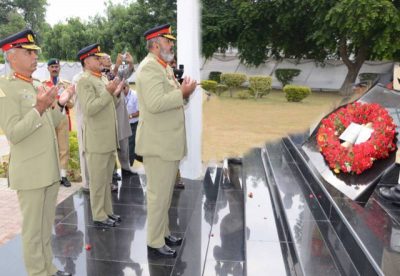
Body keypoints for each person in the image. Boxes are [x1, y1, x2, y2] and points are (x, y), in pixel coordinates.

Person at [0, 29, 74, 276]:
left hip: (48, 170)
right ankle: (37, 272)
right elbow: (14, 132)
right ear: (11, 56)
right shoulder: (5, 87)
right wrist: (39, 108)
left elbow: (52, 120)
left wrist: (60, 101)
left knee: (44, 228)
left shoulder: (34, 84)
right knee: (32, 231)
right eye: (28, 52)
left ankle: (48, 268)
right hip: (30, 173)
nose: (34, 57)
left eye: (34, 52)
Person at [135, 23, 197, 258]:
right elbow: (155, 104)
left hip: (167, 142)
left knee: (165, 194)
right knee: (158, 196)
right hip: (157, 144)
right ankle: (154, 240)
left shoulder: (164, 68)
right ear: (155, 44)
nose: (172, 44)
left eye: (171, 41)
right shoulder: (149, 68)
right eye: (168, 40)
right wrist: (182, 93)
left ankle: (164, 231)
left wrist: (184, 94)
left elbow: (171, 100)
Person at [76, 43, 124, 227]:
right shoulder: (84, 80)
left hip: (108, 138)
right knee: (97, 182)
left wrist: (115, 92)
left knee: (106, 180)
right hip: (96, 140)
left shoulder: (101, 77)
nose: (100, 60)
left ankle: (108, 212)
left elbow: (110, 101)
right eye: (96, 58)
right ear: (86, 61)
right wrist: (109, 92)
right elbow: (90, 109)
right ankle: (98, 215)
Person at [100, 53, 135, 185]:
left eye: (110, 58)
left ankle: (126, 168)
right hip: (109, 114)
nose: (109, 59)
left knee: (124, 143)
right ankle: (113, 173)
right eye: (105, 58)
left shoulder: (117, 71)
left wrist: (130, 63)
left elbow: (127, 74)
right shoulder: (100, 73)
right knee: (111, 145)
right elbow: (111, 80)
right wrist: (117, 65)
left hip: (120, 112)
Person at [43, 58, 75, 188]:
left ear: (59, 68)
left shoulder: (65, 85)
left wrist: (65, 98)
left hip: (62, 119)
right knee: (50, 148)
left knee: (64, 148)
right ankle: (52, 175)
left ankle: (63, 176)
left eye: (57, 66)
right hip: (50, 119)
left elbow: (72, 104)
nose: (55, 69)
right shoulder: (44, 84)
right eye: (52, 67)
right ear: (48, 69)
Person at [124, 82, 140, 167]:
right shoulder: (121, 95)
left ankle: (129, 166)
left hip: (133, 124)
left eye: (124, 88)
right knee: (124, 147)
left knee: (130, 145)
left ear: (127, 86)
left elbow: (139, 112)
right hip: (124, 125)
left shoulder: (135, 95)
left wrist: (129, 116)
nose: (122, 91)